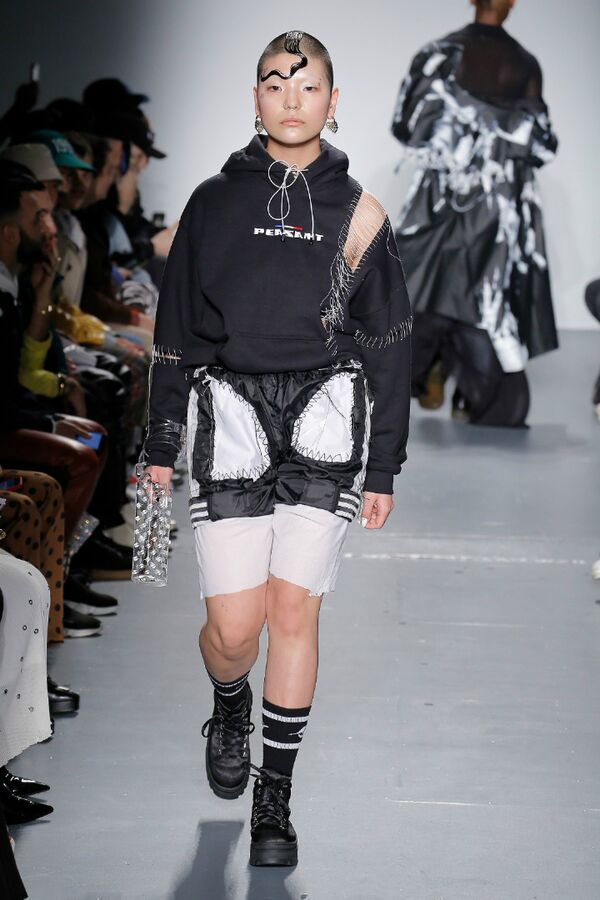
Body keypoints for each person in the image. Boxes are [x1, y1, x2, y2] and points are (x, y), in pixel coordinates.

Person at [143, 30, 411, 867]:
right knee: (235, 629)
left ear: (334, 101)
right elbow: (176, 329)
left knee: (295, 612)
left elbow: (391, 343)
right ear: (255, 97)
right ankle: (230, 701)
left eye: (308, 85)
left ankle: (275, 802)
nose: (292, 98)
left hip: (325, 419)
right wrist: (160, 438)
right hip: (232, 414)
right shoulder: (212, 205)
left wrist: (385, 463)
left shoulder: (361, 215)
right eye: (274, 83)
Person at [392, 0, 558, 426]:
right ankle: (470, 395)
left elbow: (405, 125)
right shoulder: (524, 64)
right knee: (483, 300)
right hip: (495, 205)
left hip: (440, 198)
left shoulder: (438, 54)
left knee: (428, 289)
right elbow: (542, 144)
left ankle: (431, 371)